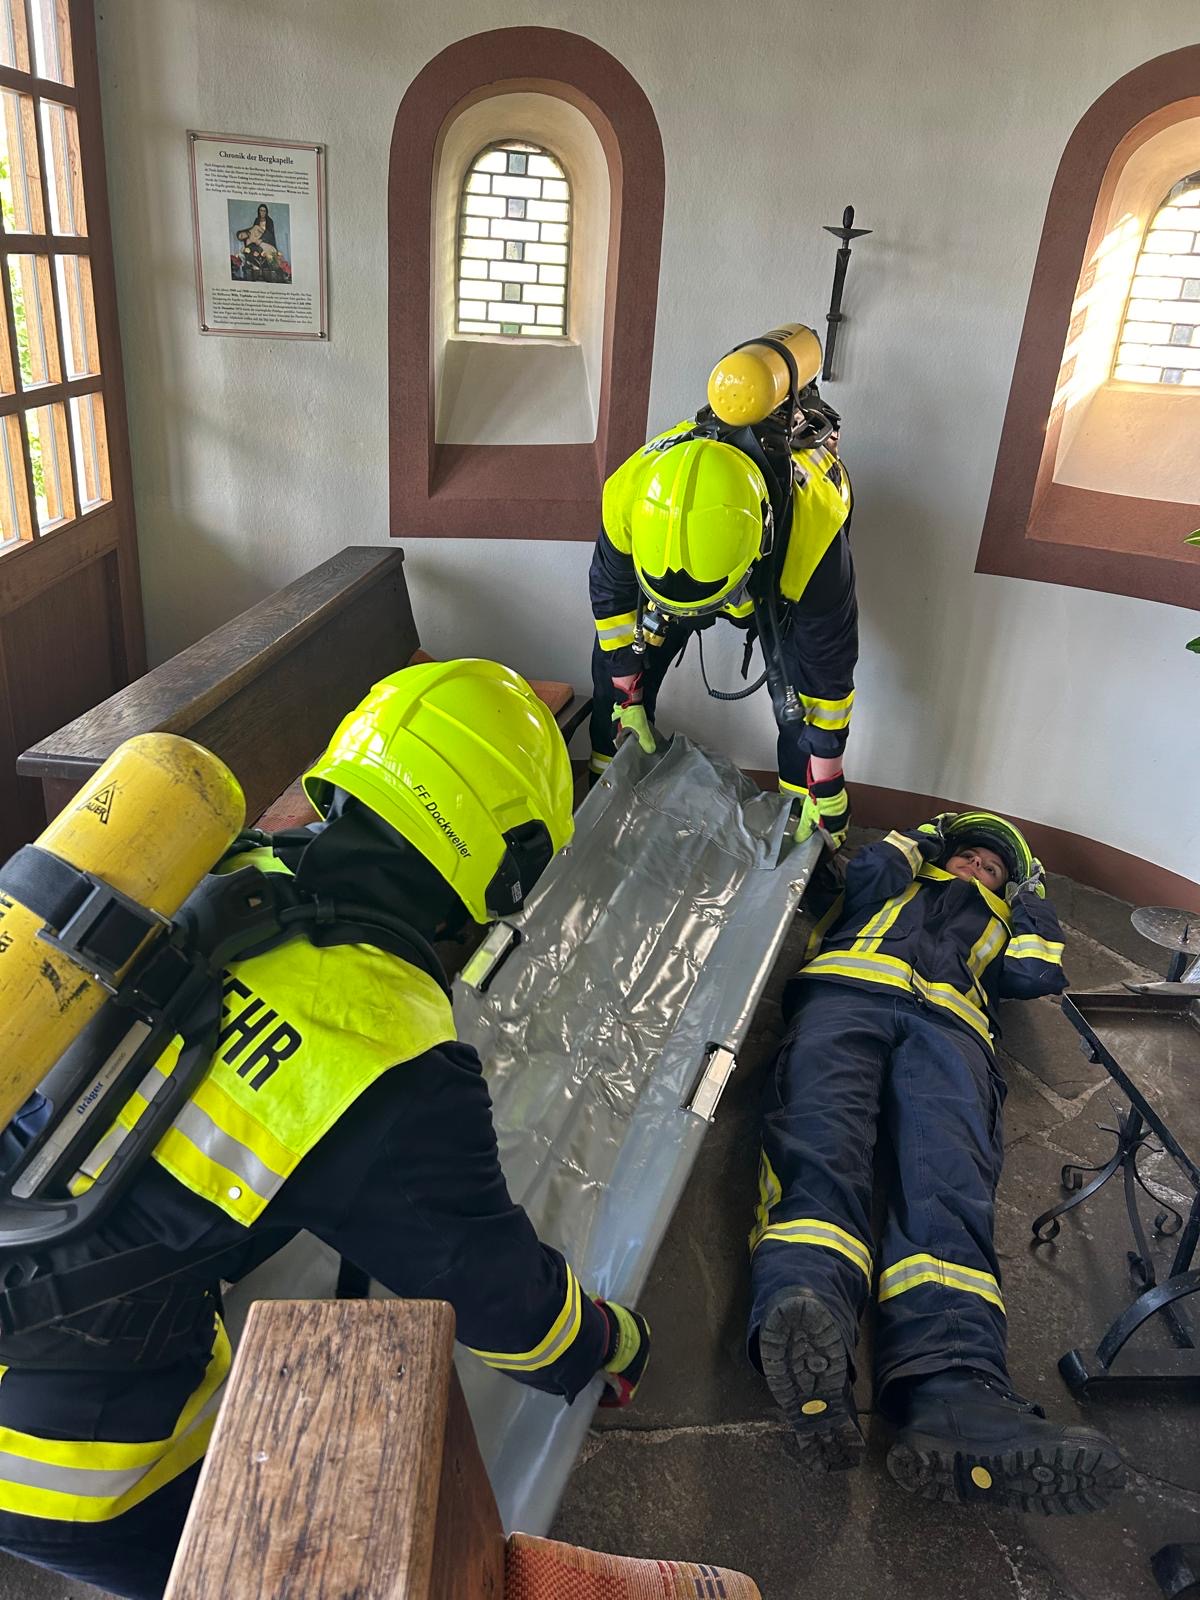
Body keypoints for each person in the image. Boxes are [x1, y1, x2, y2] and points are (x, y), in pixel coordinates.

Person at [0, 659, 651, 1600]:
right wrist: (606, 1343)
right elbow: (505, 1305)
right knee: (272, 1563)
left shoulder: (222, 869)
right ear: (506, 864)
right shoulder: (385, 1056)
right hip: (66, 1456)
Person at [747, 810, 1125, 1512]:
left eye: (994, 869)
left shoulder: (1005, 923)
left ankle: (956, 1393)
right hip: (844, 999)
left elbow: (1036, 972)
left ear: (1007, 887)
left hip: (950, 1037)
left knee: (948, 1189)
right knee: (818, 1144)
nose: (977, 869)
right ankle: (804, 1311)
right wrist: (921, 837)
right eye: (968, 857)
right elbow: (864, 873)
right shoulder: (895, 878)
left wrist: (1031, 898)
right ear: (942, 854)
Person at [588, 395, 858, 847]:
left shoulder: (814, 544)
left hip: (777, 588)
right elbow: (612, 601)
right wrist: (625, 691)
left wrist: (826, 778)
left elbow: (826, 678)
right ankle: (602, 791)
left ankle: (799, 830)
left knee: (797, 708)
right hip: (691, 571)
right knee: (614, 671)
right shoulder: (629, 494)